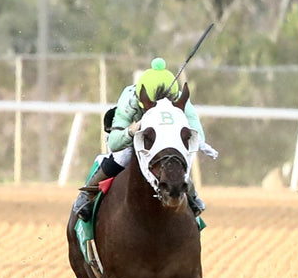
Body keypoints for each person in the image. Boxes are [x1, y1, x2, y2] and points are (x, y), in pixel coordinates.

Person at [73, 57, 213, 223]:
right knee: (123, 157)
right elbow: (114, 143)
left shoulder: (181, 101)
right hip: (139, 136)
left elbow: (198, 135)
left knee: (175, 159)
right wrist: (131, 131)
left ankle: (191, 194)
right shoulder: (130, 100)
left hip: (166, 139)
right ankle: (87, 194)